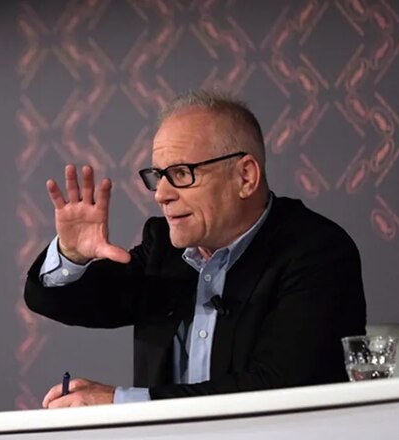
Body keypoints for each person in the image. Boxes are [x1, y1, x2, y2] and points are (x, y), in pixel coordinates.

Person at [23, 90, 367, 408]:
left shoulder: (317, 252)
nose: (162, 194)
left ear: (245, 176)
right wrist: (72, 255)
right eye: (159, 176)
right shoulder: (165, 248)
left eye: (182, 173)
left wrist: (120, 405)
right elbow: (59, 301)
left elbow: (280, 388)